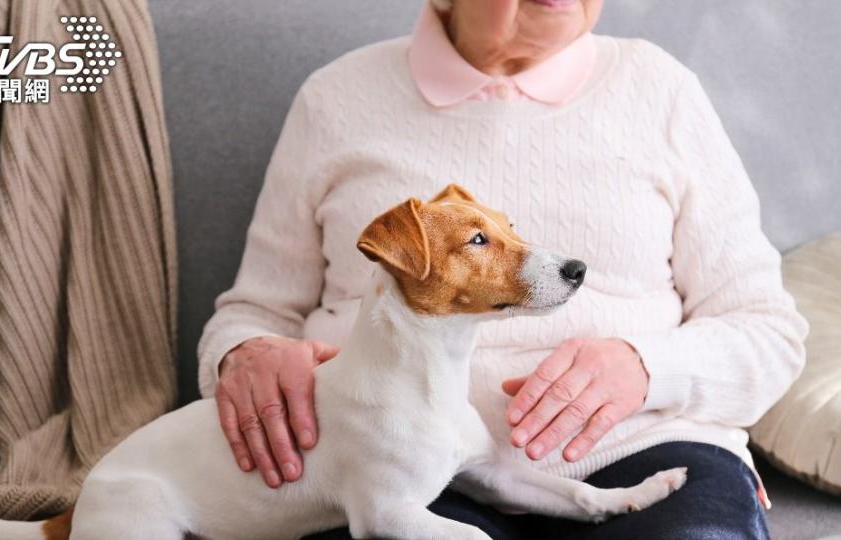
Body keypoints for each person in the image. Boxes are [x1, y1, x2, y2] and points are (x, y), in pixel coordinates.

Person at [197, 1, 808, 538]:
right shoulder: (335, 99)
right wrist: (247, 354)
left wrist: (646, 368)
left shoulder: (661, 90)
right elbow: (255, 313)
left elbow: (767, 331)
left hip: (644, 451)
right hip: (395, 472)